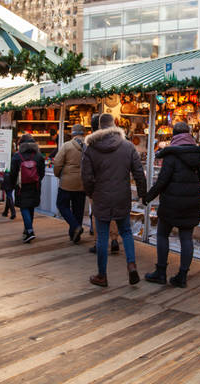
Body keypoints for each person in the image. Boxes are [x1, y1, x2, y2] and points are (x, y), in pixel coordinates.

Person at [82, 113, 147, 287]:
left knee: (102, 235)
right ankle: (131, 264)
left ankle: (102, 275)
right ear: (114, 125)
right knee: (125, 231)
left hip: (101, 196)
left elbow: (86, 176)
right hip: (121, 196)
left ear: (99, 128)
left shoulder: (91, 148)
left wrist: (90, 193)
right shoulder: (127, 146)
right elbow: (139, 172)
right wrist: (143, 194)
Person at [143, 122, 200, 288]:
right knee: (186, 238)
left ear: (174, 136)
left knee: (163, 234)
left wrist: (148, 196)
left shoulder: (170, 155)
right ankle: (182, 276)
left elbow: (162, 180)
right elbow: (198, 177)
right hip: (192, 201)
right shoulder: (198, 155)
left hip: (171, 201)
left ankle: (161, 272)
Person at [88, 113, 121, 254]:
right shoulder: (118, 140)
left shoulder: (91, 143)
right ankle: (114, 239)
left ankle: (98, 242)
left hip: (98, 184)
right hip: (115, 183)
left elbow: (87, 168)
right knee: (113, 213)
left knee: (97, 214)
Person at [54, 124, 87, 244]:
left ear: (72, 133)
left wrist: (59, 175)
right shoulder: (89, 146)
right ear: (84, 133)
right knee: (78, 209)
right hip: (82, 183)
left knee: (62, 205)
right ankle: (75, 236)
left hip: (67, 183)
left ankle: (75, 226)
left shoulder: (67, 146)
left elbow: (57, 163)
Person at [10, 133, 45, 243]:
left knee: (24, 207)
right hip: (35, 186)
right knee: (31, 207)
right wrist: (37, 180)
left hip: (21, 186)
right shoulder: (39, 156)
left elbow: (13, 173)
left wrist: (12, 184)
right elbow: (42, 172)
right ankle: (27, 229)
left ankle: (29, 231)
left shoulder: (17, 156)